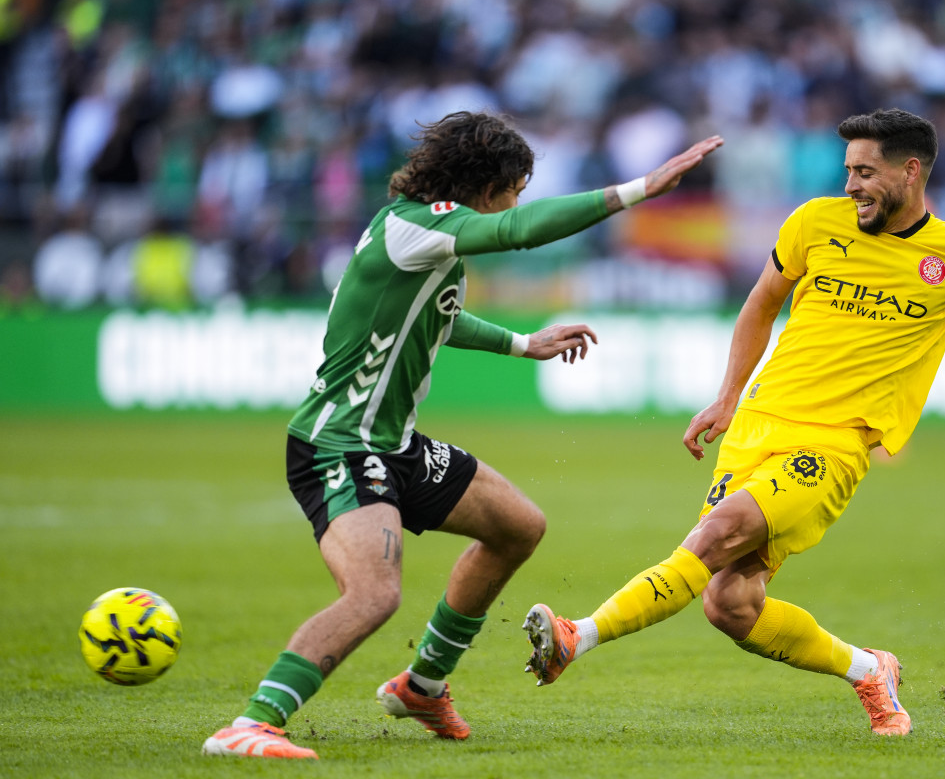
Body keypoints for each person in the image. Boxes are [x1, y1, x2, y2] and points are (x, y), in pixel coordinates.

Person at [522, 108, 945, 737]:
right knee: (730, 604)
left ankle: (577, 638)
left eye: (866, 172)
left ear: (911, 171)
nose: (851, 185)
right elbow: (760, 304)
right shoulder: (814, 222)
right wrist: (727, 397)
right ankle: (870, 670)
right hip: (758, 426)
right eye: (848, 170)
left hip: (835, 444)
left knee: (717, 533)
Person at [202, 111, 722, 759]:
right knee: (374, 594)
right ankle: (251, 724)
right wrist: (640, 189)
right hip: (339, 445)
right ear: (488, 187)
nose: (516, 202)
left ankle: (423, 685)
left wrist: (521, 343)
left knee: (517, 526)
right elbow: (518, 232)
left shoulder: (422, 231)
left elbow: (438, 316)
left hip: (392, 445)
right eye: (515, 189)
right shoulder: (416, 227)